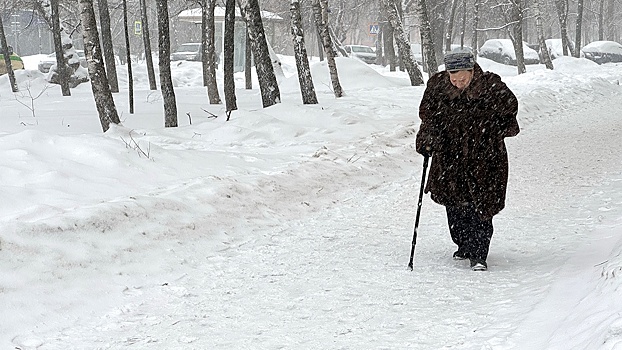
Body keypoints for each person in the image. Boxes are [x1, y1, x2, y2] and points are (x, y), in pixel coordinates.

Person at [415, 51, 520, 271]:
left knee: (481, 203)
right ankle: (463, 244)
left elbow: (510, 109)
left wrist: (491, 130)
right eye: (453, 79)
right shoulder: (437, 86)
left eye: (462, 78)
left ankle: (479, 253)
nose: (458, 83)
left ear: (472, 71)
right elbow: (428, 117)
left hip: (484, 156)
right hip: (449, 155)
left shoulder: (490, 84)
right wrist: (427, 140)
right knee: (454, 203)